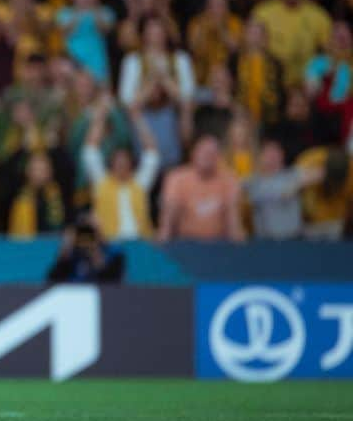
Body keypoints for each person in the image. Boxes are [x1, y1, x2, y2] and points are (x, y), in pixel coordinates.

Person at [82, 95, 160, 241]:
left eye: (125, 162)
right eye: (118, 162)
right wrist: (101, 115)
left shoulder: (139, 184)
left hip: (141, 245)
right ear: (111, 165)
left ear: (131, 165)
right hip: (111, 245)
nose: (121, 165)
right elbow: (90, 150)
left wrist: (137, 118)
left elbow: (152, 153)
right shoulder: (102, 183)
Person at [158, 135, 245, 242]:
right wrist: (163, 243)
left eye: (212, 153)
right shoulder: (176, 178)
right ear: (193, 154)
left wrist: (239, 245)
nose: (208, 157)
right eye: (203, 152)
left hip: (220, 243)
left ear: (219, 157)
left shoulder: (229, 179)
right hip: (186, 242)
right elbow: (168, 218)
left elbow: (233, 217)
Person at [47, 220, 125, 283]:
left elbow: (113, 282)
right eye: (82, 232)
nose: (86, 236)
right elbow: (52, 281)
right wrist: (64, 253)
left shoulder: (115, 253)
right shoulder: (73, 254)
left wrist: (95, 253)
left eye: (90, 231)